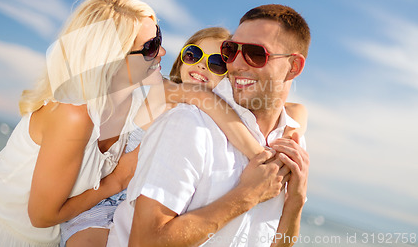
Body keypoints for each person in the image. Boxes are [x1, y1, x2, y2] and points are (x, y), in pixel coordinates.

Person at [0, 0, 167, 247]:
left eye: (158, 37)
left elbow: (183, 96)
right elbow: (42, 216)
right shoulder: (73, 114)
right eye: (150, 47)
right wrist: (118, 180)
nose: (162, 51)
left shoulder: (132, 101)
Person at [62, 26, 307, 246]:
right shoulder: (166, 91)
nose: (201, 65)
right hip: (104, 200)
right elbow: (117, 180)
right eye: (193, 55)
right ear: (180, 60)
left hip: (141, 204)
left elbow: (297, 109)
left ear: (228, 77)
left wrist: (295, 130)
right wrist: (265, 158)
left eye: (216, 63)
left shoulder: (214, 114)